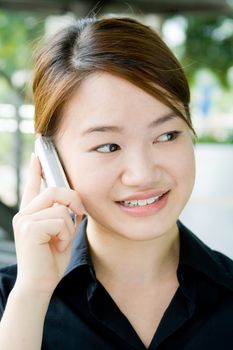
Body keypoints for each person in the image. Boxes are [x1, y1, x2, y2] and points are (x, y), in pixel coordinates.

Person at [0, 16, 232, 350]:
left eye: (167, 135)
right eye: (108, 146)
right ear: (52, 159)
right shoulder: (12, 300)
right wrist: (33, 296)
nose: (143, 175)